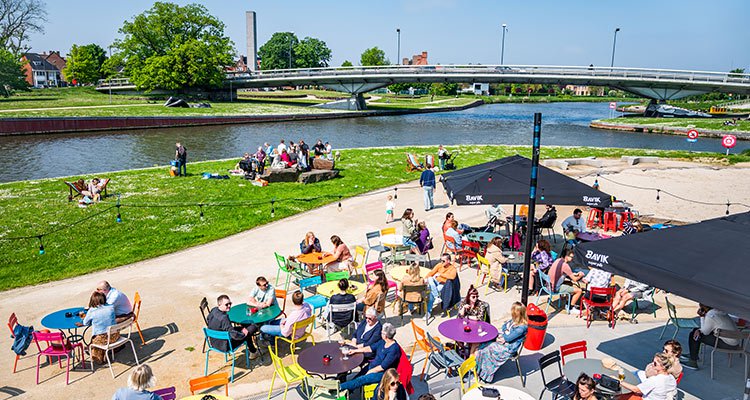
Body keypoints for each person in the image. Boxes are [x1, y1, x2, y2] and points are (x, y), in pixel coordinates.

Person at [340, 323, 401, 392]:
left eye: (382, 332)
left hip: (384, 373)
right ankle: (346, 392)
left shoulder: (394, 349)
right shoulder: (383, 342)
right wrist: (355, 351)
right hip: (373, 366)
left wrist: (370, 371)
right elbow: (370, 348)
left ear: (385, 335)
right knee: (357, 377)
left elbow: (382, 367)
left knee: (362, 379)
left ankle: (339, 387)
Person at [476, 302, 528, 382]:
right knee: (483, 343)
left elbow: (509, 338)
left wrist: (505, 336)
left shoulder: (521, 328)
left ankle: (486, 376)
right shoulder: (514, 320)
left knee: (485, 350)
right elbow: (504, 326)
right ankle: (479, 370)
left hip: (509, 348)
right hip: (504, 341)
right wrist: (505, 333)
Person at [684, 304, 741, 370]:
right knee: (696, 331)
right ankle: (693, 354)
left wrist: (702, 317)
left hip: (728, 344)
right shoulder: (720, 311)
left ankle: (693, 361)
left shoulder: (711, 315)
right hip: (734, 342)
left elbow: (705, 332)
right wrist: (699, 330)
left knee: (695, 334)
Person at [207, 295, 259, 359]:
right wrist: (243, 335)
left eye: (230, 303)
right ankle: (253, 352)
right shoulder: (224, 318)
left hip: (214, 342)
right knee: (250, 330)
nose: (229, 306)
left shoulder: (213, 310)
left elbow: (208, 319)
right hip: (225, 345)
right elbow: (234, 335)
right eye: (226, 304)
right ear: (219, 304)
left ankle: (252, 350)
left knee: (242, 329)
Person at [76, 291, 116, 364]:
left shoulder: (92, 311)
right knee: (102, 334)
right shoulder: (111, 307)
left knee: (96, 338)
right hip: (115, 336)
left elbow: (85, 323)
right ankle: (103, 354)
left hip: (102, 340)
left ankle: (98, 358)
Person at [548, 249, 585, 315]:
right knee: (579, 291)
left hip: (548, 285)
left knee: (569, 284)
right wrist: (580, 275)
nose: (572, 259)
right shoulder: (565, 266)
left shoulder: (558, 260)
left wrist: (574, 274)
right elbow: (575, 279)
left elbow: (566, 273)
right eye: (571, 257)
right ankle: (571, 308)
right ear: (566, 256)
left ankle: (567, 303)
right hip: (555, 288)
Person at [458, 285, 490, 354]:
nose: (475, 299)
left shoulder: (480, 304)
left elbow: (479, 317)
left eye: (477, 296)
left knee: (474, 342)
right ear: (469, 297)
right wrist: (463, 308)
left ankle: (470, 357)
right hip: (466, 326)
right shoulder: (464, 302)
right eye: (473, 297)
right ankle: (463, 350)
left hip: (476, 327)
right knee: (458, 337)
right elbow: (460, 316)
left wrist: (468, 317)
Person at [424, 253, 458, 319]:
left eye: (443, 261)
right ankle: (437, 296)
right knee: (430, 278)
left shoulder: (452, 269)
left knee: (431, 295)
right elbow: (431, 273)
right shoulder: (439, 265)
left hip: (444, 284)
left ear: (448, 261)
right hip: (436, 281)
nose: (441, 262)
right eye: (441, 260)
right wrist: (426, 278)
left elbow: (452, 277)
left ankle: (428, 312)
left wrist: (441, 274)